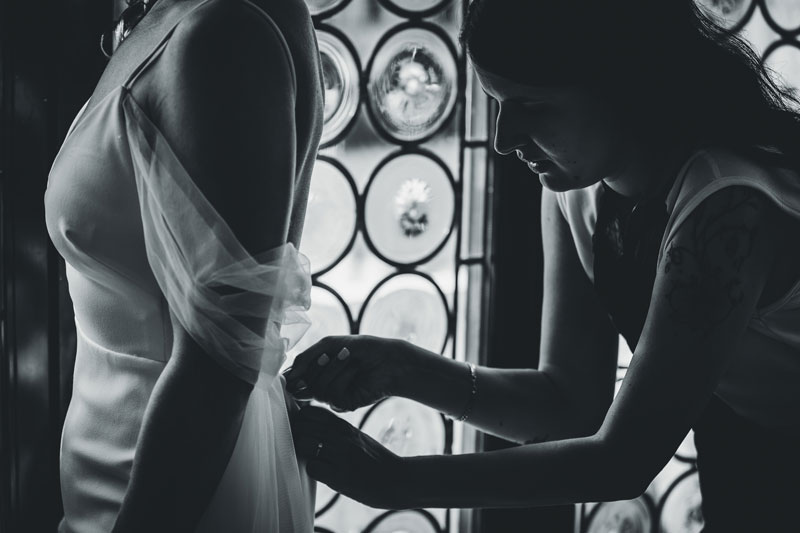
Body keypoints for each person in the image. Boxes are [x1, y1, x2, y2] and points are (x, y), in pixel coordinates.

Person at [286, 0, 800, 530]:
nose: (504, 140)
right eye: (497, 103)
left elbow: (623, 463)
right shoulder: (575, 188)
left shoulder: (728, 208)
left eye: (532, 106)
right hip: (744, 474)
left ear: (624, 83)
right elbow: (569, 405)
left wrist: (396, 480)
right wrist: (404, 368)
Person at [45, 0, 323, 530]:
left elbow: (214, 373)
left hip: (158, 498)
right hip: (108, 481)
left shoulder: (226, 33)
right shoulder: (178, 14)